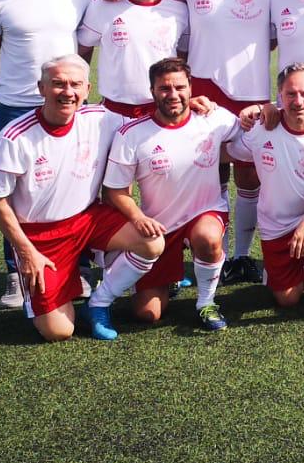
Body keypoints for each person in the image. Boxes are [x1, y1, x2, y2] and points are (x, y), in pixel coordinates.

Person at [0, 55, 162, 342]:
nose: (68, 92)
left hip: (89, 219)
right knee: (58, 331)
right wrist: (26, 252)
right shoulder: (14, 138)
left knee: (152, 241)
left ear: (87, 89)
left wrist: (191, 106)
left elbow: (150, 124)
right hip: (41, 237)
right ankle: (56, 291)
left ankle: (99, 301)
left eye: (76, 84)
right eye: (58, 84)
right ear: (41, 88)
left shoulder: (100, 119)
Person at [0, 0, 93, 308]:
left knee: (74, 185)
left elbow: (84, 51)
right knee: (15, 193)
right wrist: (17, 86)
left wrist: (70, 90)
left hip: (68, 105)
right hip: (17, 106)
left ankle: (78, 267)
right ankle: (16, 271)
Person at [166, 0, 290, 284]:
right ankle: (210, 255)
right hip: (204, 93)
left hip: (252, 94)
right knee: (208, 174)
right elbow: (155, 1)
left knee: (249, 176)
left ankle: (241, 257)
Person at [100, 58, 242, 331]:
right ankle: (170, 275)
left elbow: (249, 132)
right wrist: (139, 218)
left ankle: (206, 303)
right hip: (160, 227)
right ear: (152, 91)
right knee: (147, 313)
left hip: (204, 212)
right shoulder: (132, 134)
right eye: (165, 88)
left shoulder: (213, 118)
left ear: (191, 88)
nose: (173, 94)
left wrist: (259, 110)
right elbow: (114, 191)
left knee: (208, 237)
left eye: (179, 87)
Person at [226, 63, 304, 326]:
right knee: (287, 300)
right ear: (280, 96)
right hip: (277, 225)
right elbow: (229, 151)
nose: (298, 101)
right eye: (291, 94)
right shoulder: (262, 129)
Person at [76, 0, 188, 118]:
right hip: (113, 112)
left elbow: (184, 58)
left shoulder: (180, 9)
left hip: (162, 111)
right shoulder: (103, 5)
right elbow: (83, 49)